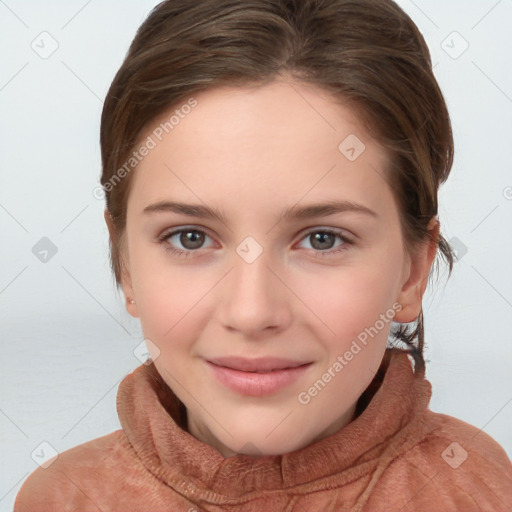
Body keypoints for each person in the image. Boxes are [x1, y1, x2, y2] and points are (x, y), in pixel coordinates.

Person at [14, 0, 512, 510]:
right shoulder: (62, 498)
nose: (251, 313)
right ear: (126, 266)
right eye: (190, 237)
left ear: (412, 272)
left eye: (323, 239)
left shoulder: (484, 493)